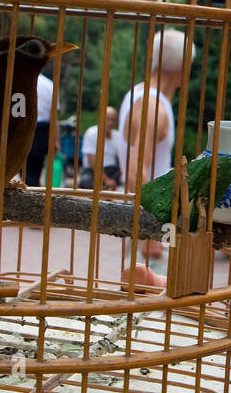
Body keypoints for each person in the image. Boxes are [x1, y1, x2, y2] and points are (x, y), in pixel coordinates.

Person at [118, 28, 195, 262]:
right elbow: (135, 172)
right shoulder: (152, 107)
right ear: (184, 67)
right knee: (152, 294)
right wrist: (152, 233)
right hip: (149, 226)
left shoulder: (139, 92)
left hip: (144, 221)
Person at [23, 69, 56, 187]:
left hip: (23, 127)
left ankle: (27, 191)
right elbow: (53, 116)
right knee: (35, 168)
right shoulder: (49, 85)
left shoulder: (22, 82)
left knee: (23, 167)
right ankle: (32, 191)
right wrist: (55, 140)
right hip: (42, 131)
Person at [78, 106, 121, 191]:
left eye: (113, 120)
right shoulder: (91, 133)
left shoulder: (118, 135)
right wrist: (106, 180)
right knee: (86, 182)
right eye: (107, 119)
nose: (110, 123)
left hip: (112, 170)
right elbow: (92, 161)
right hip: (93, 171)